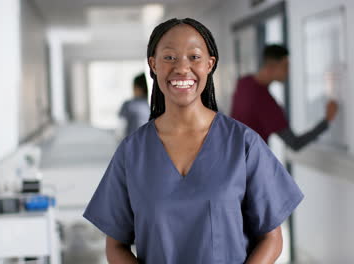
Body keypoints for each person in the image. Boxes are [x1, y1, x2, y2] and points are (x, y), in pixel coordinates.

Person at [83, 18, 303, 264]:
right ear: (153, 65)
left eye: (194, 57)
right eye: (169, 57)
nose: (182, 68)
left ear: (210, 64)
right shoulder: (132, 152)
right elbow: (115, 246)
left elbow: (272, 238)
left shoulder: (243, 144)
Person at [230, 44, 338, 151]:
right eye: (285, 66)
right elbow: (295, 143)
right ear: (271, 66)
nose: (288, 71)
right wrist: (327, 120)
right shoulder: (267, 104)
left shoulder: (243, 83)